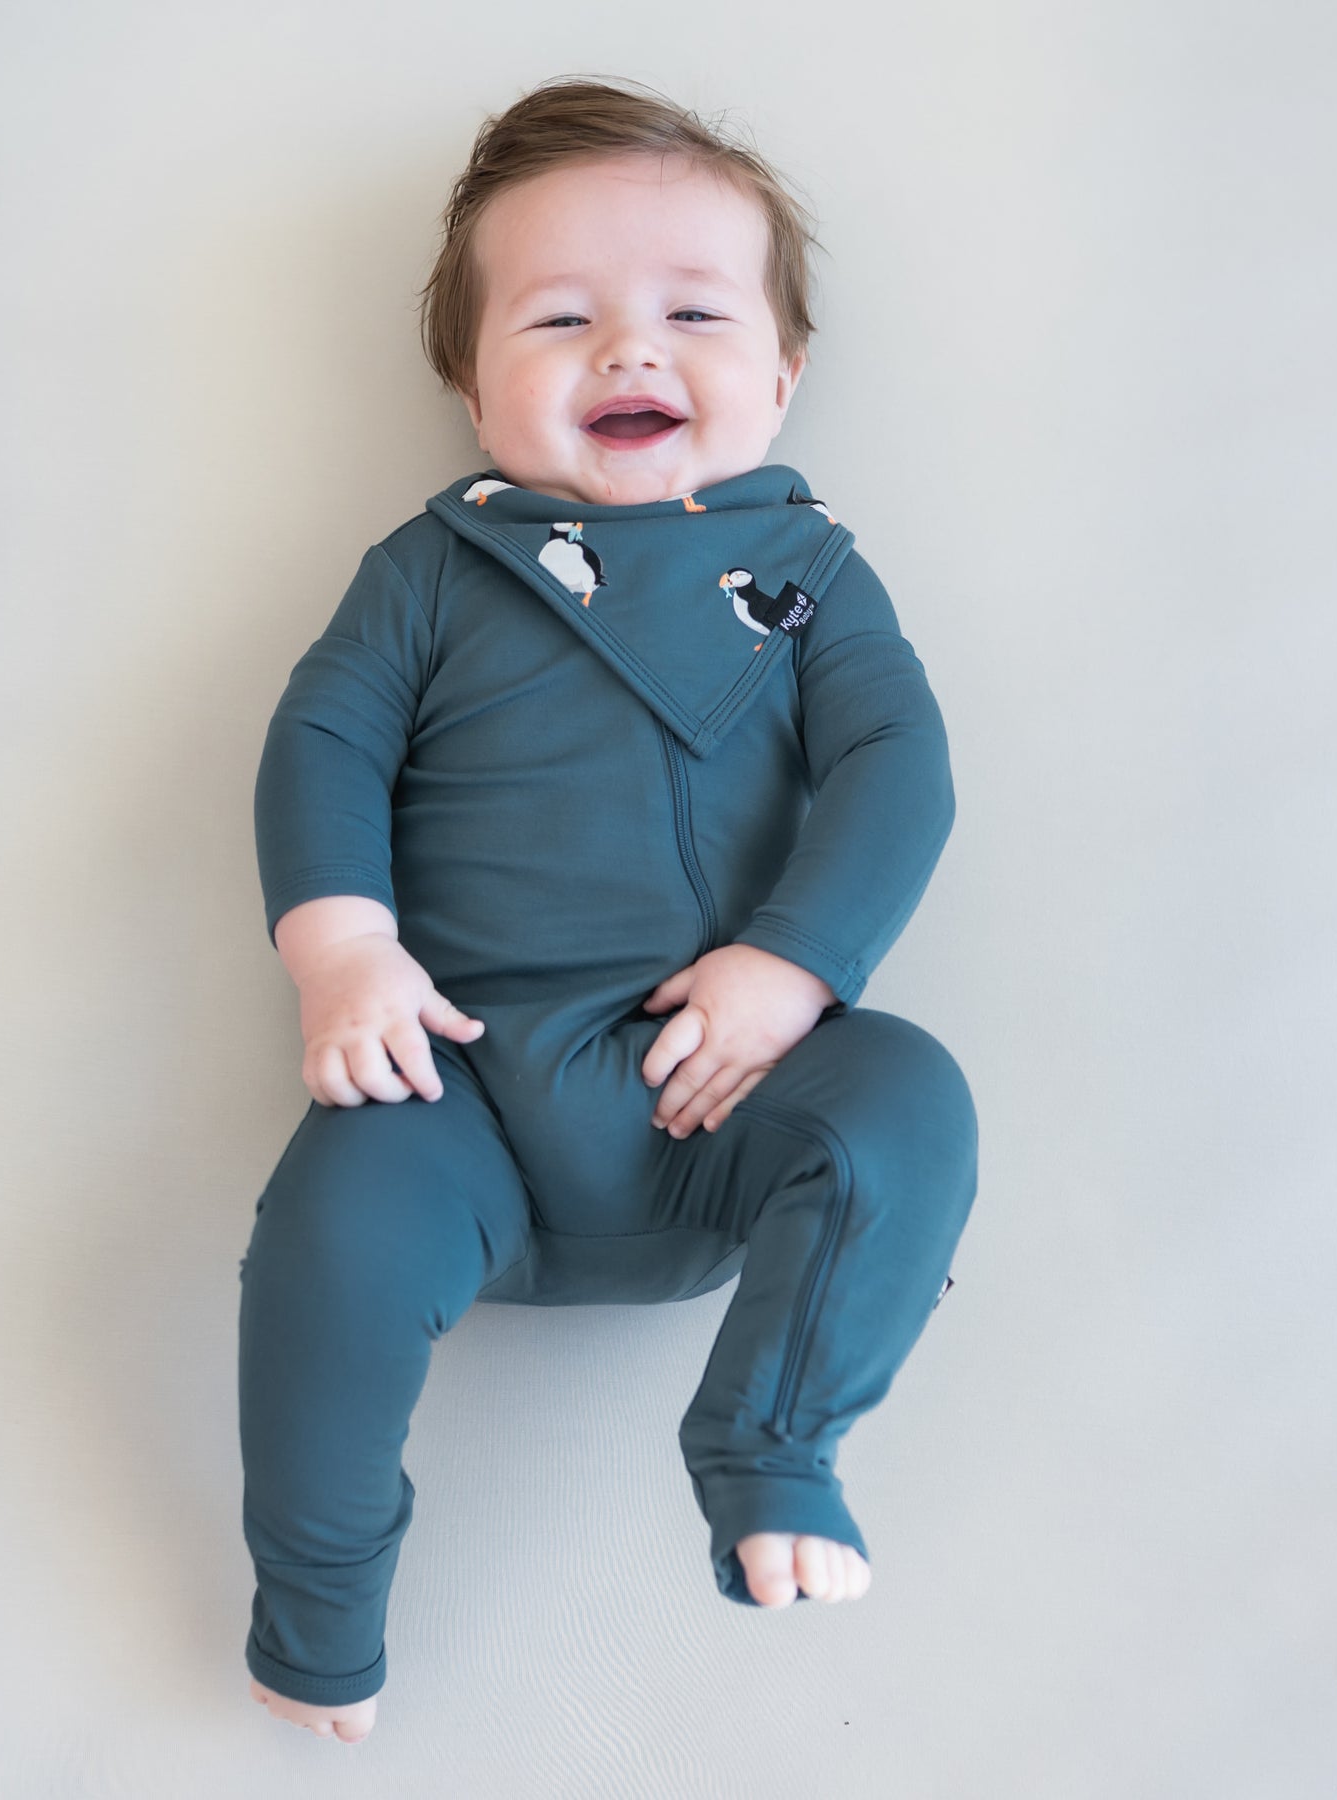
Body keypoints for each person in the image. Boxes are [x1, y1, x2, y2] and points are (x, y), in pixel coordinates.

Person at [240, 73, 980, 1746]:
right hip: (462, 1096)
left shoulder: (816, 582)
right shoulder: (433, 568)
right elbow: (323, 743)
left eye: (695, 314)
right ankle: (319, 1609)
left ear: (783, 376)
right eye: (562, 316)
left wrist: (793, 972)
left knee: (912, 1100)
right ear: (469, 380)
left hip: (726, 1092)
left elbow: (897, 772)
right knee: (321, 1244)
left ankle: (771, 1445)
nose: (631, 353)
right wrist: (342, 946)